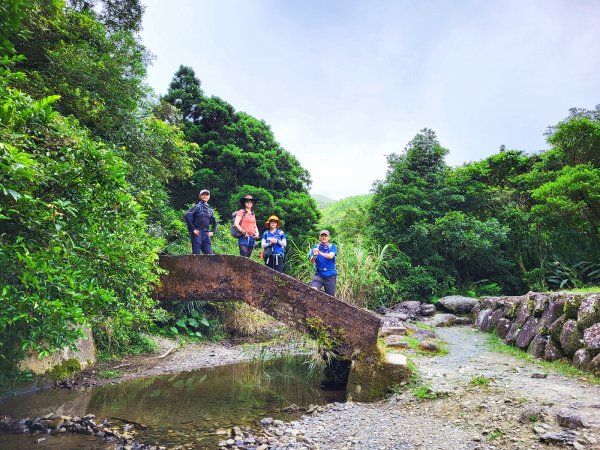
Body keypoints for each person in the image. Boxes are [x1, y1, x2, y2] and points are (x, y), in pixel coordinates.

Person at [184, 189, 217, 255]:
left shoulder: (210, 210)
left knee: (210, 255)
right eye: (203, 194)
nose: (205, 196)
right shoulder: (197, 207)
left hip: (206, 234)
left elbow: (215, 222)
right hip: (197, 233)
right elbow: (187, 216)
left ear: (209, 196)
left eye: (207, 194)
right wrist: (193, 229)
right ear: (200, 196)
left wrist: (212, 232)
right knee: (196, 254)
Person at [308, 230, 337, 296]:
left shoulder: (332, 247)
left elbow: (330, 256)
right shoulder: (316, 247)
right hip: (319, 274)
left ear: (329, 237)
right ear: (319, 237)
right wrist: (315, 255)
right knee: (312, 289)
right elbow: (312, 261)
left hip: (330, 275)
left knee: (331, 297)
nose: (324, 237)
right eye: (322, 236)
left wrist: (319, 253)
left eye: (325, 236)